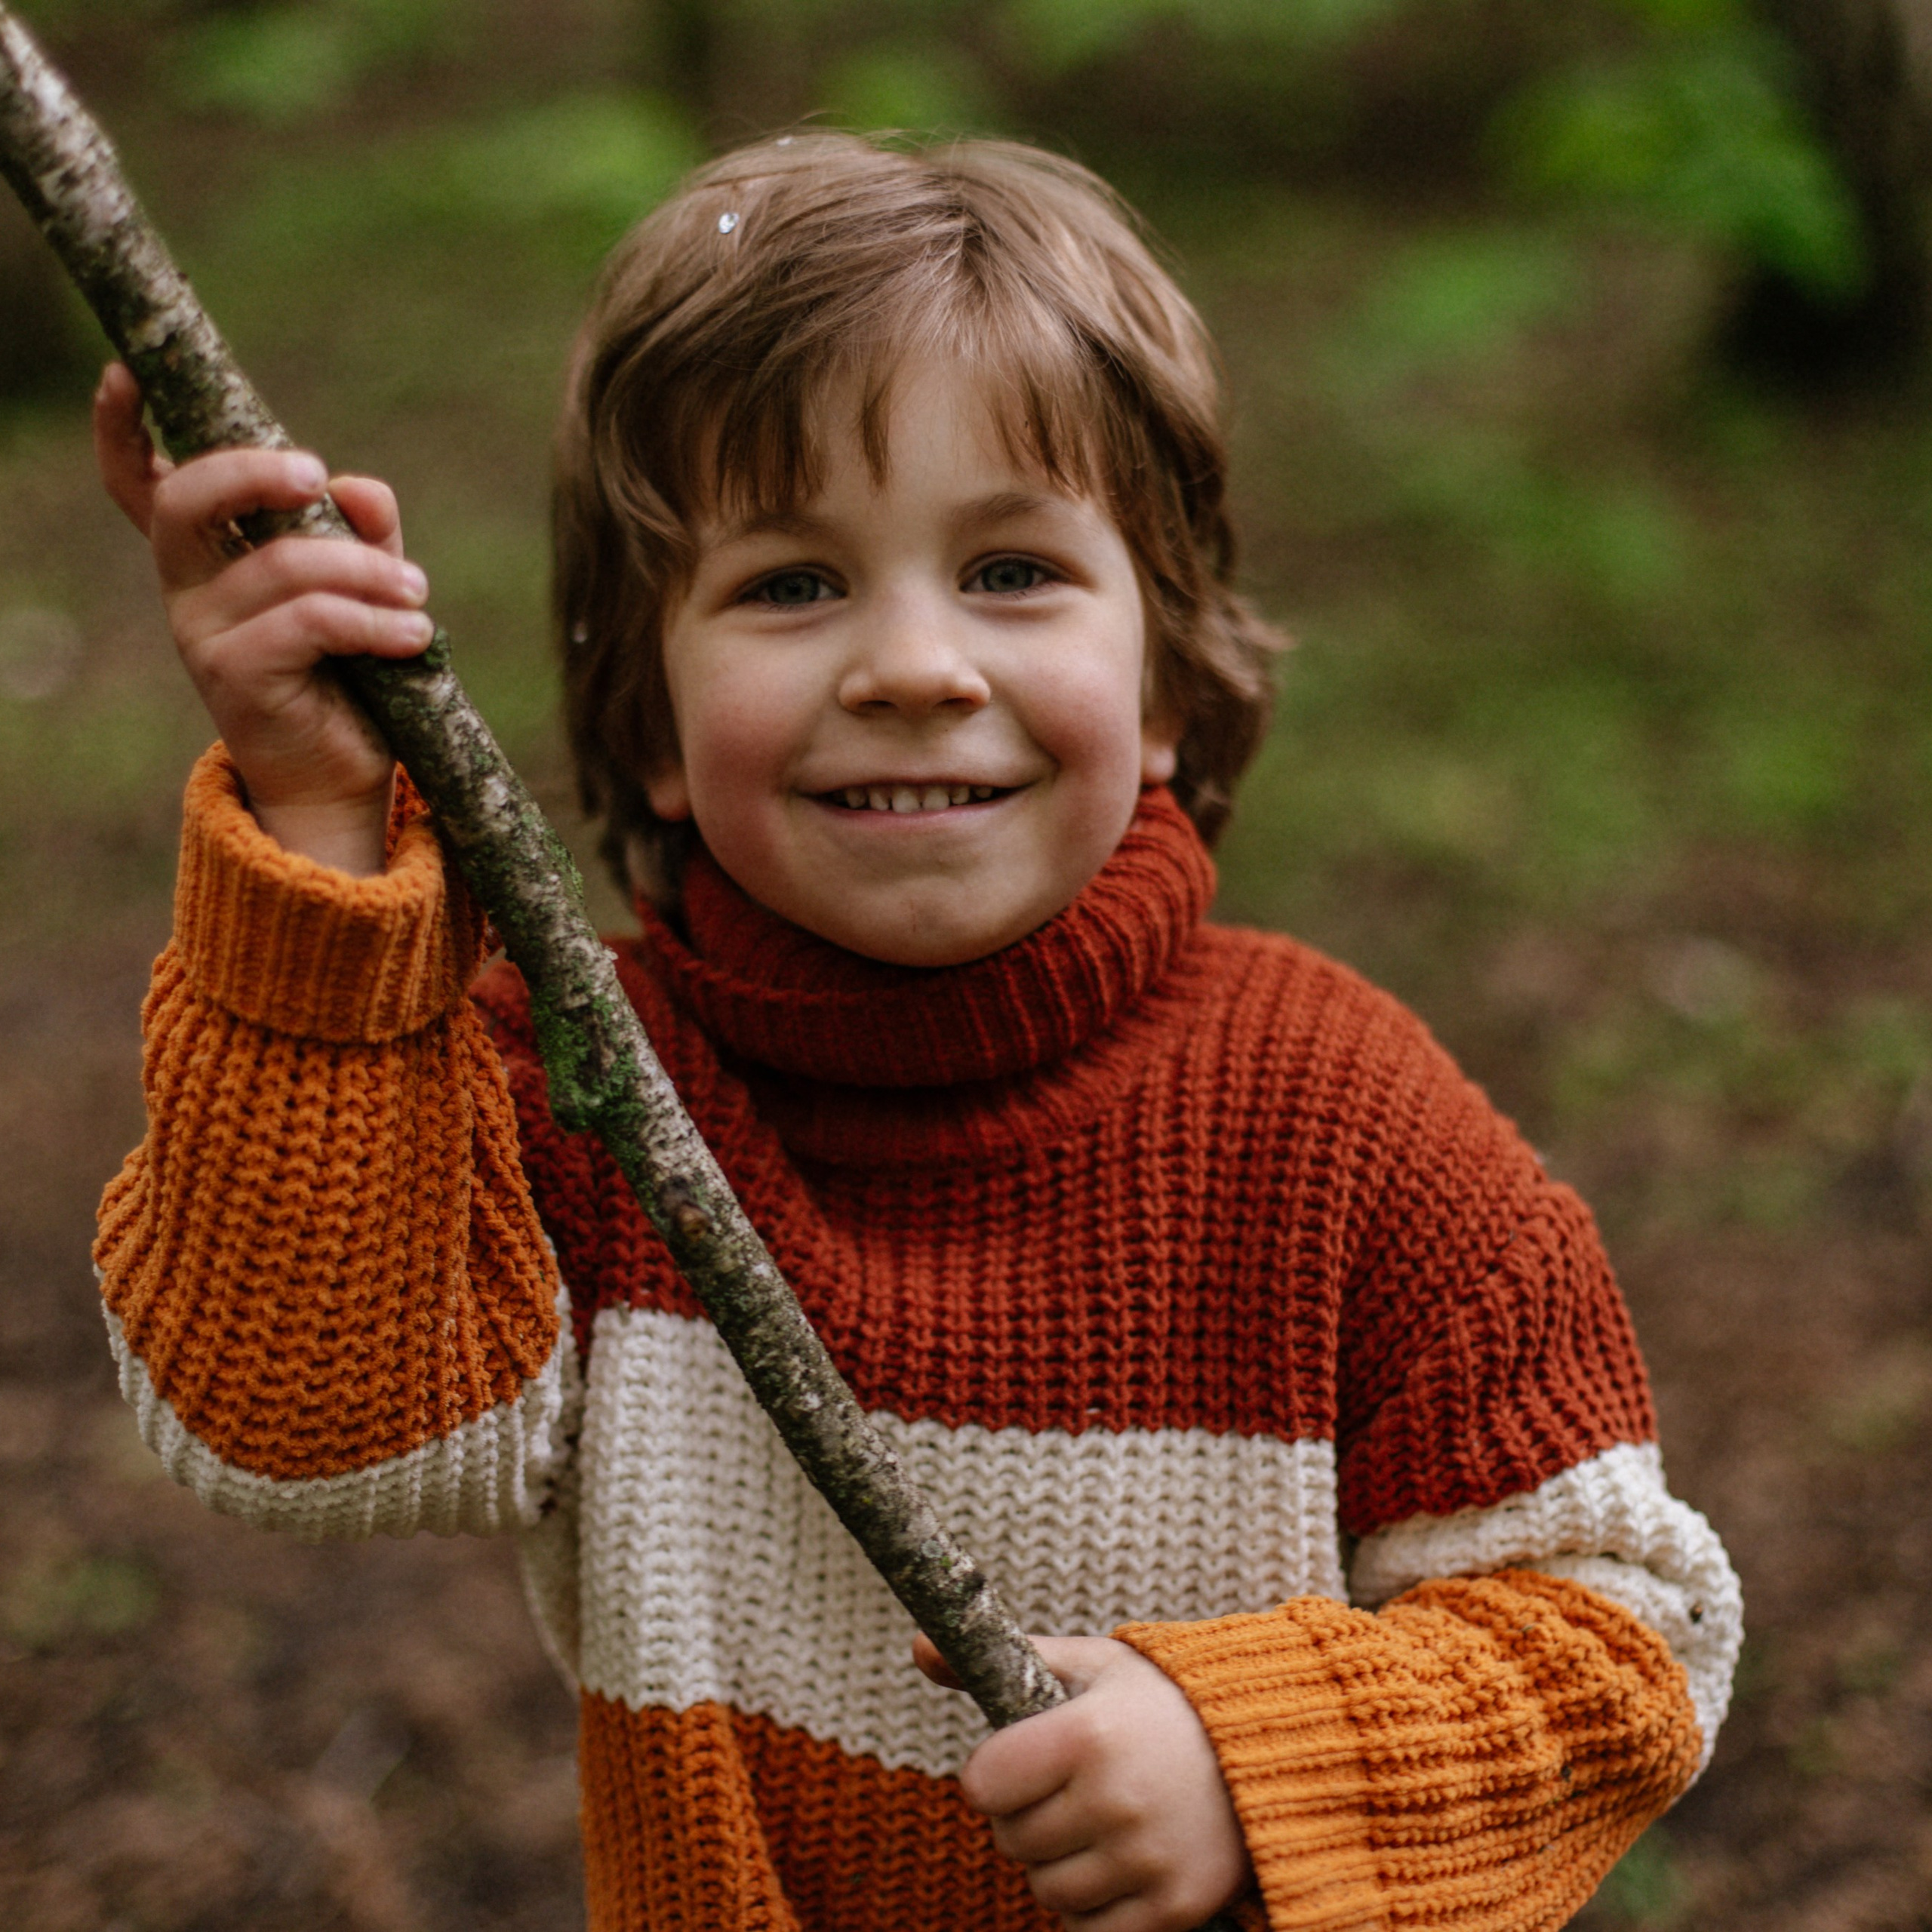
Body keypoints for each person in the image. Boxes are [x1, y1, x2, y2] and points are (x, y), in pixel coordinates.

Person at [90, 132, 1740, 1932]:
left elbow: (1618, 1632)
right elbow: (308, 1433)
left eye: (1013, 569)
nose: (911, 664)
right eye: (791, 585)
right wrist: (320, 822)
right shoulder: (576, 1093)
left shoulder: (1340, 1120)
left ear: (1169, 676)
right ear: (647, 719)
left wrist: (1254, 1759)